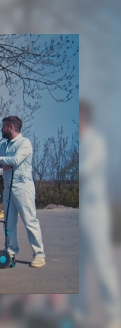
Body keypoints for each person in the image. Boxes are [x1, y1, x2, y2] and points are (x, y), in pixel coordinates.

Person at [72, 100, 121, 328]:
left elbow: (86, 170)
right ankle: (81, 310)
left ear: (86, 118)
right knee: (82, 263)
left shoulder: (96, 142)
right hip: (84, 210)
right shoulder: (84, 142)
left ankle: (114, 313)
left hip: (95, 210)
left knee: (101, 261)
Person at [0, 116, 45, 268]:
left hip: (23, 187)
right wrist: (3, 162)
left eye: (3, 127)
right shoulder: (4, 145)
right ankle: (10, 251)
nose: (1, 130)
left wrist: (3, 161)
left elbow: (15, 161)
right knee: (8, 222)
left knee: (30, 221)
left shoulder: (25, 143)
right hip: (7, 188)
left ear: (10, 127)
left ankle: (39, 254)